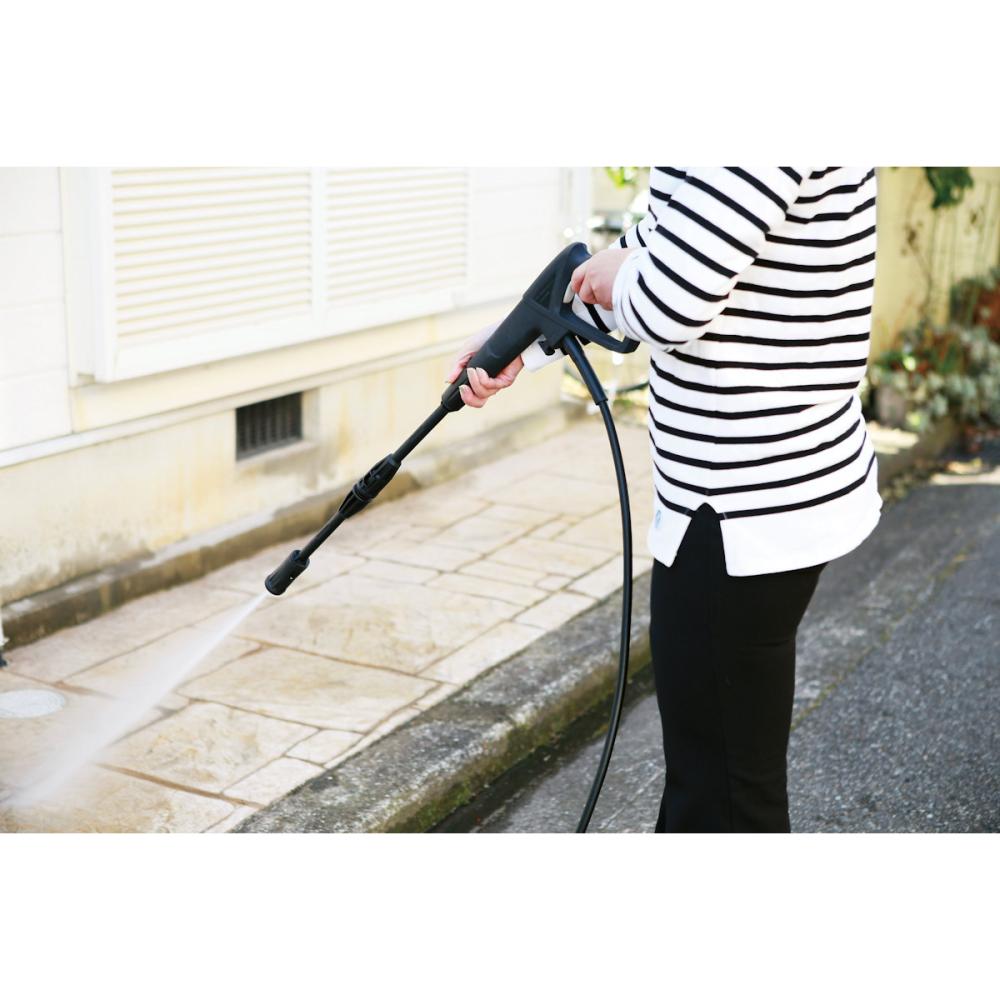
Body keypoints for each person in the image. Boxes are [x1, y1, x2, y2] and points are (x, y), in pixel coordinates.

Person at [445, 167, 881, 833]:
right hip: (764, 490)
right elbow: (669, 242)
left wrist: (626, 271)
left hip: (739, 502)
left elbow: (671, 298)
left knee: (719, 802)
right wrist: (518, 342)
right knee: (721, 781)